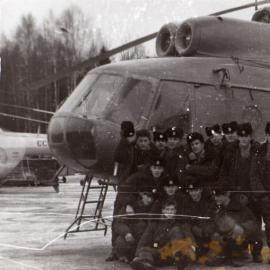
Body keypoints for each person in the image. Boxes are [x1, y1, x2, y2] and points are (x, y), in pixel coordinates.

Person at [218, 122, 263, 262]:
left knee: (254, 223)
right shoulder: (231, 151)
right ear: (238, 136)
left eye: (246, 136)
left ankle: (257, 252)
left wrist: (257, 193)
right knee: (240, 223)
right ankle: (242, 250)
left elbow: (260, 173)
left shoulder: (257, 150)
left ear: (251, 136)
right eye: (241, 136)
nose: (243, 139)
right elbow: (224, 173)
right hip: (237, 194)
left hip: (253, 194)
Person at [130, 199, 196, 270]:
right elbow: (143, 241)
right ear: (163, 211)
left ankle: (181, 261)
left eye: (172, 210)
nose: (170, 212)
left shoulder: (180, 224)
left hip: (174, 254)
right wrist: (137, 255)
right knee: (144, 250)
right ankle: (146, 264)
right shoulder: (154, 224)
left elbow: (188, 234)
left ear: (175, 211)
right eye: (167, 209)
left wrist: (192, 246)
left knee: (176, 231)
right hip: (159, 253)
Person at [106, 121, 136, 261]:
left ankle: (126, 250)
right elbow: (117, 157)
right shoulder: (125, 146)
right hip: (124, 187)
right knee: (118, 217)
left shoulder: (132, 147)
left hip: (132, 188)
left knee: (125, 217)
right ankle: (116, 249)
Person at [211, 189, 262, 266]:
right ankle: (226, 255)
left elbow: (253, 224)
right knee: (216, 235)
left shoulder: (240, 207)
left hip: (242, 236)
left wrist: (241, 227)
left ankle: (241, 254)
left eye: (218, 195)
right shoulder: (219, 209)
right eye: (215, 196)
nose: (216, 198)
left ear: (227, 194)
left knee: (237, 229)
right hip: (228, 237)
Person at [114, 186, 155, 263]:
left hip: (146, 239)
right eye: (148, 196)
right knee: (120, 242)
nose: (150, 200)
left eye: (152, 198)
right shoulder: (131, 206)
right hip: (133, 237)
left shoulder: (154, 207)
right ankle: (125, 255)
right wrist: (127, 233)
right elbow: (119, 223)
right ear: (142, 195)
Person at [250, 121, 270, 259]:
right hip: (263, 195)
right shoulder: (260, 151)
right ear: (267, 135)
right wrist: (262, 193)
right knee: (263, 223)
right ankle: (257, 252)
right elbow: (254, 174)